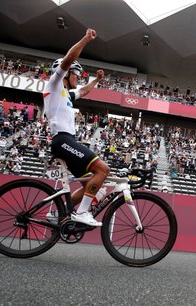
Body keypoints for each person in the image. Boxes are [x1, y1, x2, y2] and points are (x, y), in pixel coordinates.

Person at [43, 28, 110, 227]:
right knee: (103, 169)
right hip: (62, 140)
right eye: (76, 74)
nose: (78, 78)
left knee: (94, 186)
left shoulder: (67, 95)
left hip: (68, 141)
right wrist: (86, 39)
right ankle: (81, 213)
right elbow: (68, 59)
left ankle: (59, 215)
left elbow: (84, 91)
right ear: (67, 72)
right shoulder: (54, 85)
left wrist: (96, 80)